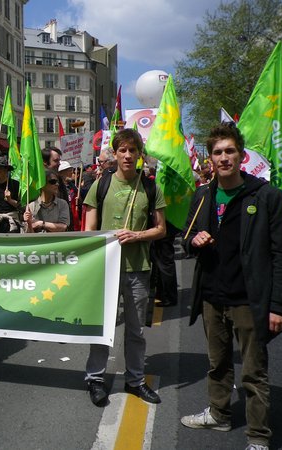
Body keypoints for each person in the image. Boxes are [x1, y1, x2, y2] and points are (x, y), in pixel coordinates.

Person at [180, 124, 282, 450]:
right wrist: (194, 241)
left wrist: (279, 305)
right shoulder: (202, 196)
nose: (224, 157)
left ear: (241, 155)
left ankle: (258, 437)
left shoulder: (267, 196)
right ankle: (219, 414)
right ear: (210, 158)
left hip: (249, 299)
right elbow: (185, 238)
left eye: (230, 151)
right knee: (217, 364)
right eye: (218, 152)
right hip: (212, 298)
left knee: (254, 374)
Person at [83, 129, 166, 406]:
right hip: (105, 269)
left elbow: (161, 229)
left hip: (138, 269)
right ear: (115, 154)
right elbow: (88, 230)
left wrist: (136, 235)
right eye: (123, 150)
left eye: (133, 150)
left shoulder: (151, 187)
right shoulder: (101, 185)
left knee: (135, 330)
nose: (128, 155)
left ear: (139, 154)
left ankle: (135, 381)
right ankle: (95, 378)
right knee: (103, 327)